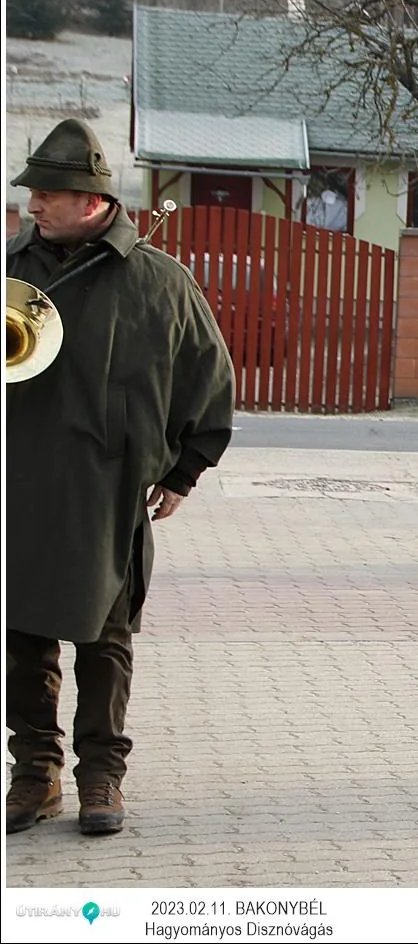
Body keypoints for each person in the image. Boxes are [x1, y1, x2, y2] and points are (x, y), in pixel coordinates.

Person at [6, 119, 236, 836]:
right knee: (21, 640)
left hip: (104, 495)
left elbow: (211, 376)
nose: (33, 206)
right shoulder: (11, 272)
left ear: (93, 200)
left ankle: (101, 776)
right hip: (18, 488)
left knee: (104, 645)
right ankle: (34, 776)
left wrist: (185, 471)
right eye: (33, 193)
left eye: (48, 194)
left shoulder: (158, 282)